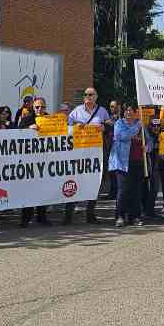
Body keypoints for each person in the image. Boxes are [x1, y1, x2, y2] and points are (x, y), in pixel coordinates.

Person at [65, 88, 109, 225]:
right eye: (86, 95)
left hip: (96, 152)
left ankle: (90, 214)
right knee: (75, 181)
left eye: (90, 94)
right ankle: (68, 216)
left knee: (95, 183)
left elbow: (109, 124)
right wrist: (75, 126)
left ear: (96, 96)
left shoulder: (102, 111)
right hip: (79, 152)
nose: (88, 97)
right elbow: (66, 125)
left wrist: (104, 127)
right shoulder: (77, 111)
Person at [18, 96, 53, 228]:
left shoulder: (50, 119)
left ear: (45, 107)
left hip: (45, 160)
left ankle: (41, 217)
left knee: (43, 190)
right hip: (29, 162)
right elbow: (17, 133)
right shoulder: (26, 119)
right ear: (33, 107)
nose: (39, 109)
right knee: (28, 191)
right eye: (37, 107)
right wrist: (28, 129)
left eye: (42, 107)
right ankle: (25, 218)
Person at [110, 105, 145, 227]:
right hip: (122, 162)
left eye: (131, 110)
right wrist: (136, 128)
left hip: (138, 161)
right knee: (123, 190)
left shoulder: (141, 125)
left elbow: (149, 141)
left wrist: (148, 147)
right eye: (126, 110)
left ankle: (134, 216)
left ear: (136, 113)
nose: (128, 112)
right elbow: (121, 136)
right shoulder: (119, 123)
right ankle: (120, 216)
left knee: (136, 191)